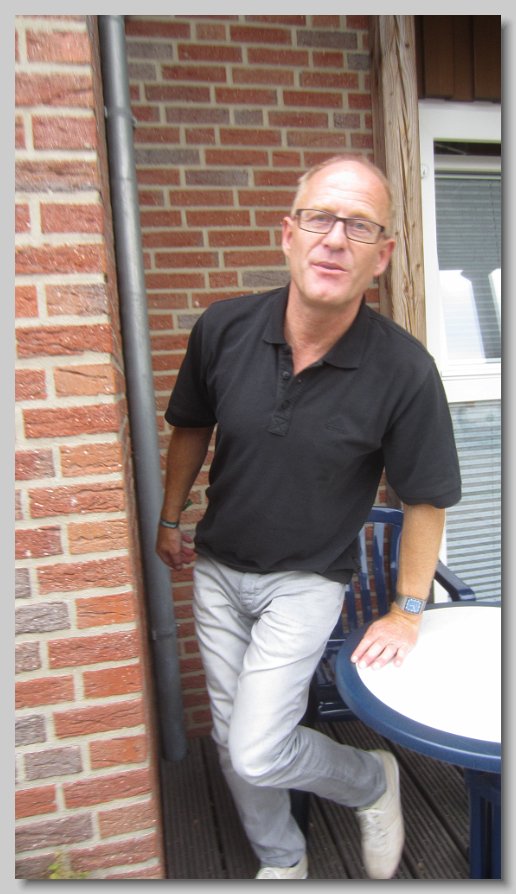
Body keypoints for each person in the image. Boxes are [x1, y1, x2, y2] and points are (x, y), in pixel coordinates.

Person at [156, 154, 461, 880]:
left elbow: (425, 498)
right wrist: (171, 519)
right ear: (287, 233)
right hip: (217, 570)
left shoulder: (404, 370)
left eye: (359, 226)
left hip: (308, 581)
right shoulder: (223, 328)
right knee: (232, 739)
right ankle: (283, 860)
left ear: (382, 256)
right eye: (320, 218)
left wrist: (408, 610)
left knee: (257, 747)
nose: (335, 239)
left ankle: (370, 779)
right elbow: (191, 425)